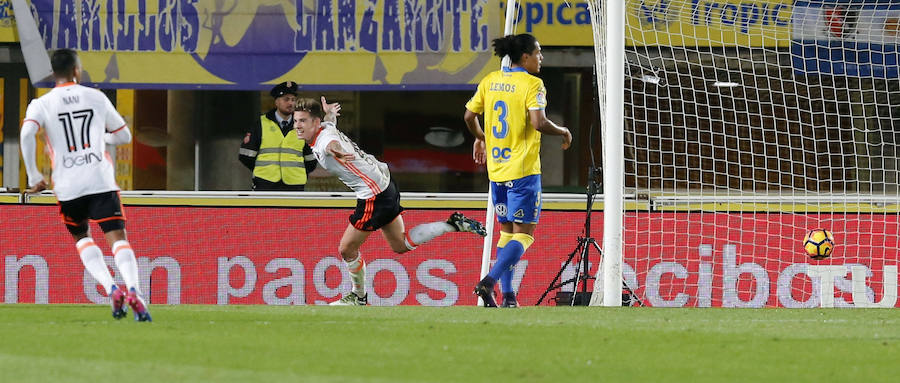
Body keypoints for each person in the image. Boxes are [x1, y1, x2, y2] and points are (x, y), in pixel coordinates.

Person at [294, 97, 488, 306]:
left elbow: (331, 144)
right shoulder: (324, 128)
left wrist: (336, 150)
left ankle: (358, 297)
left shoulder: (324, 141)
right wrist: (330, 112)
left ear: (315, 122)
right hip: (385, 184)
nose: (297, 125)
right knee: (401, 244)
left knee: (346, 249)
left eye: (303, 121)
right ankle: (451, 224)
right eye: (296, 121)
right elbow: (330, 124)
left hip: (373, 194)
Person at [20, 49, 151, 321]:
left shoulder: (41, 104)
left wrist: (34, 176)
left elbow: (27, 133)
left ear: (53, 73)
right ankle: (135, 290)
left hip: (68, 186)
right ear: (77, 70)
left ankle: (111, 288)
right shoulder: (96, 97)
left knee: (82, 236)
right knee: (117, 237)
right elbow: (124, 136)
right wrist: (100, 140)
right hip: (99, 179)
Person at [463, 33, 573, 308]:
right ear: (525, 56)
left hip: (497, 173)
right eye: (538, 53)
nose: (541, 58)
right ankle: (489, 282)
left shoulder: (490, 80)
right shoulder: (532, 84)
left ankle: (509, 296)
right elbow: (538, 122)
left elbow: (468, 116)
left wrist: (482, 137)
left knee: (507, 234)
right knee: (524, 235)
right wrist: (563, 131)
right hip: (523, 172)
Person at [239, 81, 317, 191]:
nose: (290, 103)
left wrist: (295, 173)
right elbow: (245, 155)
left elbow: (311, 160)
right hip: (265, 184)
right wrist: (264, 172)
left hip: (294, 185)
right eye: (286, 99)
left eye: (293, 100)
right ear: (276, 102)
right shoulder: (261, 124)